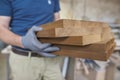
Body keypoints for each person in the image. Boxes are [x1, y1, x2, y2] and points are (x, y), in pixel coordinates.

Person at [0, 0, 64, 80]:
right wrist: (23, 41)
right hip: (24, 60)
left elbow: (57, 19)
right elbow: (1, 28)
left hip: (50, 58)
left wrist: (60, 39)